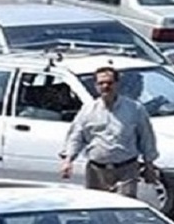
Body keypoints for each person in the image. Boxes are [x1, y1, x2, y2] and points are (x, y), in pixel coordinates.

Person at [60, 66, 159, 197]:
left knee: (125, 207)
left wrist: (149, 165)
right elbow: (76, 136)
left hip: (126, 170)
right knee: (99, 210)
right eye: (101, 83)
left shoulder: (135, 109)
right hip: (96, 171)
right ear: (95, 86)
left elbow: (146, 137)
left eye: (110, 83)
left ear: (117, 84)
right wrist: (68, 161)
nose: (105, 86)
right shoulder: (88, 110)